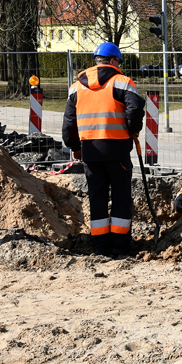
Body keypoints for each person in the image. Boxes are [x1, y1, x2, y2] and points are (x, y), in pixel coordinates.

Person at [62, 42, 145, 257]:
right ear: (113, 61)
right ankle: (120, 245)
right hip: (117, 149)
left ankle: (100, 246)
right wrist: (132, 130)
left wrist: (75, 147)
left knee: (96, 198)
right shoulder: (123, 83)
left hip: (90, 152)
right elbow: (135, 110)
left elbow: (69, 123)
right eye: (119, 61)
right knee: (121, 197)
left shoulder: (76, 87)